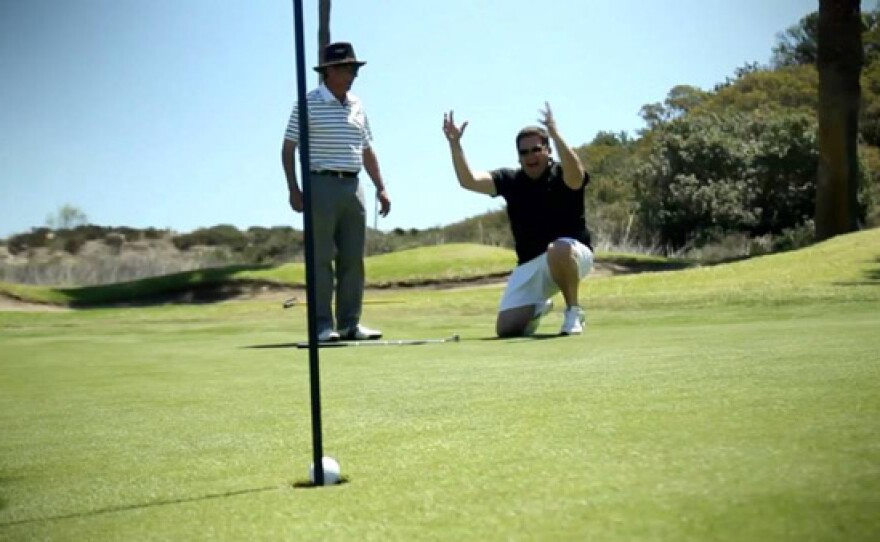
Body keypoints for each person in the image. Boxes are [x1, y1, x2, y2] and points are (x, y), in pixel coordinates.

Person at [442, 103, 594, 337]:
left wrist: (555, 133)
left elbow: (576, 177)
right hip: (531, 264)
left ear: (548, 151)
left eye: (536, 150)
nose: (530, 156)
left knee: (559, 248)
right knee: (506, 329)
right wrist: (455, 144)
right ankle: (537, 308)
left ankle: (573, 311)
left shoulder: (564, 173)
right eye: (524, 153)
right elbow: (469, 180)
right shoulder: (510, 180)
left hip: (572, 254)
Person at [282, 42, 391, 342]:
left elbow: (367, 149)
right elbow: (288, 148)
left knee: (353, 259)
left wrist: (381, 187)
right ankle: (321, 326)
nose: (353, 73)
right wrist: (294, 188)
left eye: (355, 68)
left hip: (354, 186)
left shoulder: (357, 104)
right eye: (347, 67)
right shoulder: (308, 103)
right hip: (321, 183)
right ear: (329, 71)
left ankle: (349, 324)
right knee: (320, 259)